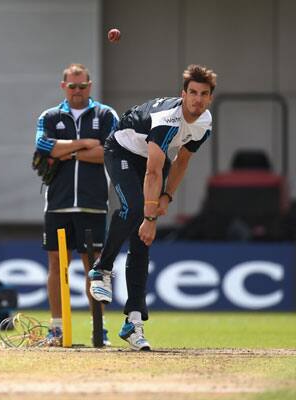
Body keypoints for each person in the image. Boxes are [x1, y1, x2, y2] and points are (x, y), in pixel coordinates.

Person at [88, 64, 217, 351]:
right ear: (182, 94)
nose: (197, 99)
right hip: (122, 149)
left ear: (209, 98)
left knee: (142, 242)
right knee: (135, 211)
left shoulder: (204, 122)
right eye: (192, 93)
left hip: (154, 159)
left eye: (203, 94)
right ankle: (102, 268)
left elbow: (182, 160)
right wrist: (150, 216)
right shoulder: (167, 119)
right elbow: (153, 172)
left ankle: (133, 323)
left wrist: (166, 199)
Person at [34, 63, 119, 346]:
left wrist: (65, 151)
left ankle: (99, 329)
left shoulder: (106, 115)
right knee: (57, 266)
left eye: (82, 86)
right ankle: (56, 329)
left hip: (93, 204)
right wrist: (83, 144)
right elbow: (44, 147)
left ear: (90, 86)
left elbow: (109, 151)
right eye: (72, 86)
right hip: (57, 204)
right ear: (63, 87)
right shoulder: (49, 116)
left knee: (93, 268)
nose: (78, 92)